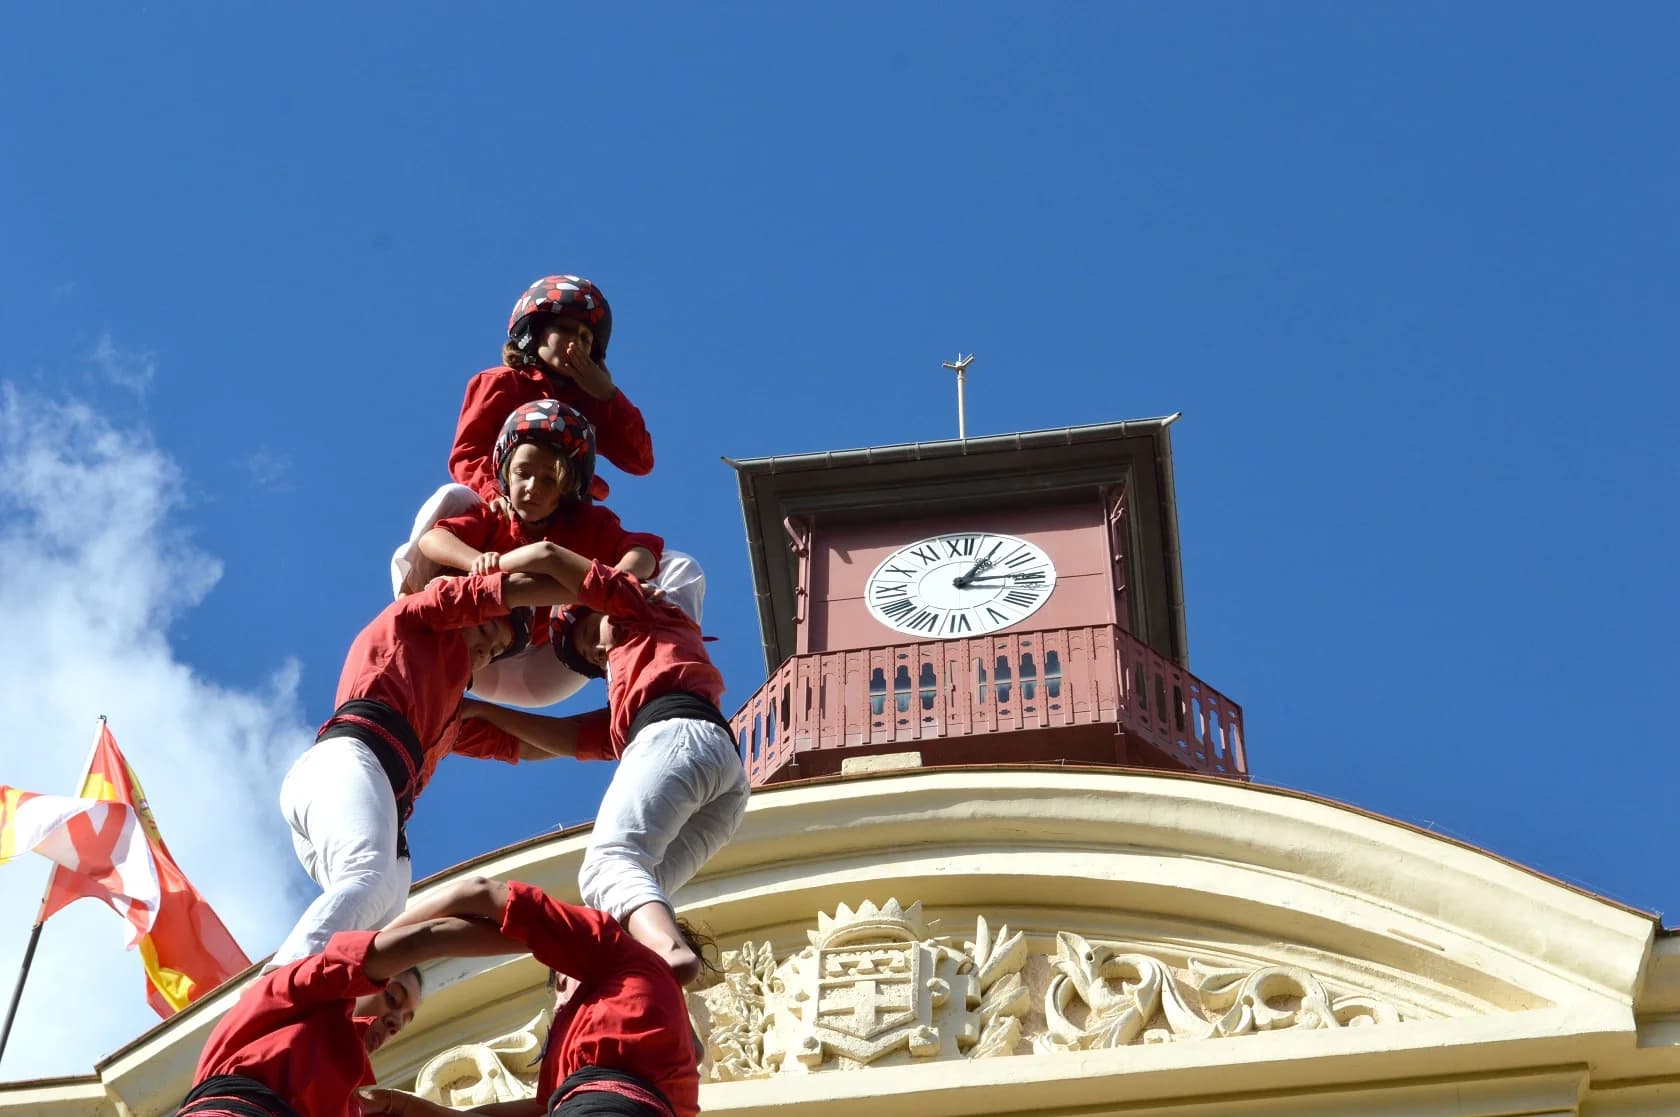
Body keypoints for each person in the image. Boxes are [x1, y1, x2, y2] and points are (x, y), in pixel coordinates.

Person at [446, 542, 748, 985]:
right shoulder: (631, 703)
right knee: (624, 897)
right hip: (722, 773)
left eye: (592, 639)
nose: (598, 655)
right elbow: (565, 738)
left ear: (602, 605)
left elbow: (550, 553)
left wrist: (483, 575)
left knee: (607, 864)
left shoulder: (634, 606)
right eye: (591, 659)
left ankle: (668, 956)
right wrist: (483, 712)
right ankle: (649, 993)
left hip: (678, 737)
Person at [271, 568, 585, 969]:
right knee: (368, 878)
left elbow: (530, 745)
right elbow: (477, 593)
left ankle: (331, 1009)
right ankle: (281, 981)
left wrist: (625, 729)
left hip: (369, 793)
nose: (486, 653)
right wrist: (591, 585)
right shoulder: (410, 621)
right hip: (347, 761)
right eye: (486, 632)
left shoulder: (450, 715)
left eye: (495, 652)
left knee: (375, 932)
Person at [391, 273, 652, 604]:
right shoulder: (502, 383)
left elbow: (640, 461)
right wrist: (493, 491)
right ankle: (412, 597)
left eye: (587, 338)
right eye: (567, 329)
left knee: (663, 563)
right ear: (535, 333)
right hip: (496, 509)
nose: (577, 343)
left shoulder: (592, 402)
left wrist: (609, 396)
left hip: (559, 515)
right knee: (451, 497)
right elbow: (467, 453)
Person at [359, 876, 704, 1117]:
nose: (555, 1006)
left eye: (558, 978)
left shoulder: (618, 952)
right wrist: (398, 1104)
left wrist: (360, 961)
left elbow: (475, 892)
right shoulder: (656, 1051)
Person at [408, 399, 662, 708]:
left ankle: (653, 681)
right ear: (505, 472)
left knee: (675, 571)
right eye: (522, 473)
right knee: (452, 496)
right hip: (477, 633)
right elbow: (433, 540)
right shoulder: (496, 516)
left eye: (548, 479)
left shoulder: (585, 524)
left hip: (534, 661)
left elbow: (644, 549)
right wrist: (473, 560)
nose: (532, 488)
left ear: (569, 486)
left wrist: (620, 580)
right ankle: (424, 635)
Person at [178, 895, 519, 1117]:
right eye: (393, 998)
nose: (396, 1023)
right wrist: (548, 937)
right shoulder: (288, 994)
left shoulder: (347, 1101)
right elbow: (428, 935)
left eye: (406, 1020)